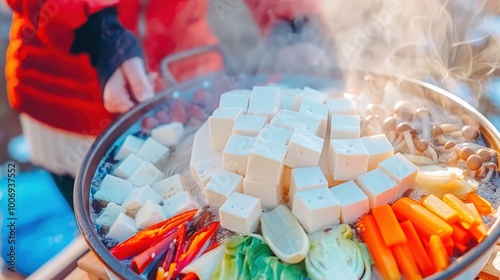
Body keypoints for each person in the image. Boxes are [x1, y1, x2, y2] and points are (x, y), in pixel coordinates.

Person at [5, 0, 331, 207]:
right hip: (73, 95)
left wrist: (293, 22)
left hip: (188, 74)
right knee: (110, 214)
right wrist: (100, 36)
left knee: (203, 199)